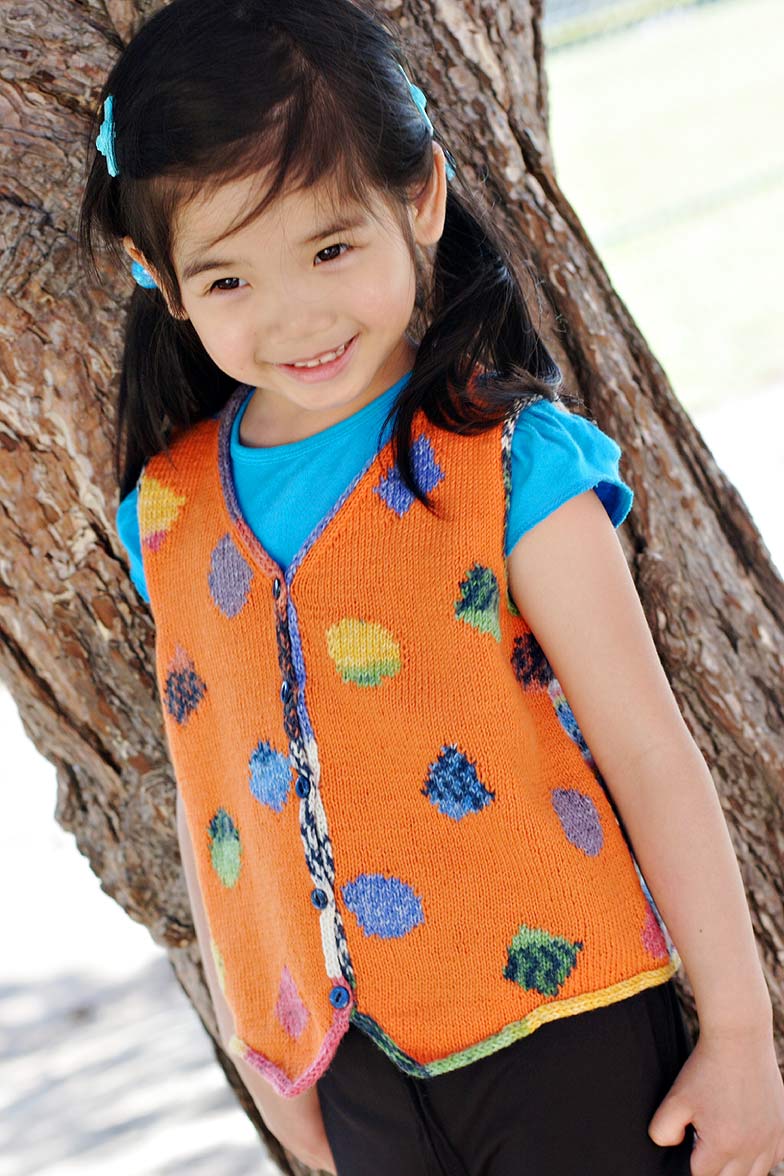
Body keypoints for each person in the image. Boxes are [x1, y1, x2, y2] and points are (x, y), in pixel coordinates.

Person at [78, 1, 784, 1172]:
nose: (296, 315)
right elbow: (215, 795)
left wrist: (742, 1032)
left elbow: (649, 750)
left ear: (420, 200)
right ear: (161, 279)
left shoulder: (510, 463)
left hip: (571, 1029)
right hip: (354, 1067)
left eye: (330, 249)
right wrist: (261, 1043)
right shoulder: (171, 512)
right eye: (229, 278)